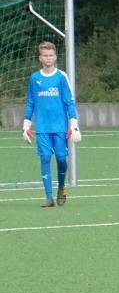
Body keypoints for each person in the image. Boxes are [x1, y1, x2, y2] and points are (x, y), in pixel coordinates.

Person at [22, 41, 81, 208]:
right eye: (45, 55)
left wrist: (74, 124)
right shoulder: (35, 78)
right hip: (42, 127)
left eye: (51, 55)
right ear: (40, 58)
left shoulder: (61, 77)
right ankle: (49, 198)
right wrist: (26, 125)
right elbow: (31, 102)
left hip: (60, 127)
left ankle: (61, 187)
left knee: (61, 158)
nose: (48, 58)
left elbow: (69, 101)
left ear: (55, 57)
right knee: (45, 158)